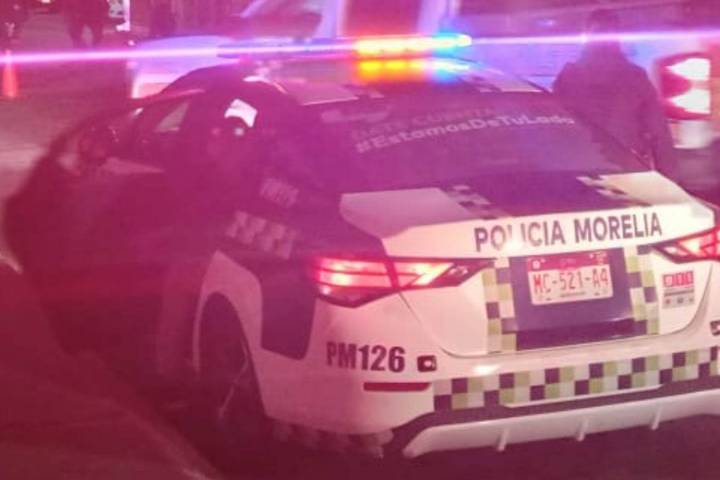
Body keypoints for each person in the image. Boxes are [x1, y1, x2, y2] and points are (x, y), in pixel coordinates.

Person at [553, 9, 676, 177]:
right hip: (626, 168)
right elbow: (659, 134)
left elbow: (555, 130)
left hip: (581, 169)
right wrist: (668, 179)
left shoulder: (568, 77)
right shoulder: (634, 77)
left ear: (587, 36)